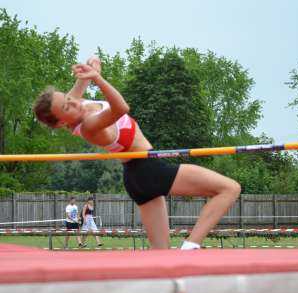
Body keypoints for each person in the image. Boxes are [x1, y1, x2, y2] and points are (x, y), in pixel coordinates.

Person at [33, 55, 241, 250]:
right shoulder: (89, 126)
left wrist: (91, 65)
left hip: (135, 177)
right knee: (229, 189)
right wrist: (98, 78)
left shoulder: (73, 104)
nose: (72, 101)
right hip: (148, 170)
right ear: (61, 122)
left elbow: (82, 81)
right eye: (67, 107)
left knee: (161, 253)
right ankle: (191, 246)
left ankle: (170, 277)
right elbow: (121, 107)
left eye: (67, 98)